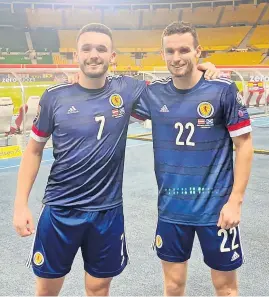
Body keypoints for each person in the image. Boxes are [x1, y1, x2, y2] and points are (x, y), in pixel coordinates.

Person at [13, 23, 219, 296]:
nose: (93, 54)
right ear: (76, 55)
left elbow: (173, 87)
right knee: (47, 289)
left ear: (112, 56)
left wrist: (200, 67)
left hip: (107, 212)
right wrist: (20, 205)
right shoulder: (54, 97)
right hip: (60, 210)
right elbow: (33, 150)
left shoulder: (128, 90)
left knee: (99, 288)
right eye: (86, 48)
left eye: (101, 48)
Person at [133, 21, 253, 296]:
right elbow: (112, 96)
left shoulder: (222, 90)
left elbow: (244, 145)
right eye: (170, 51)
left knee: (226, 288)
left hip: (217, 211)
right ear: (162, 54)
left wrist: (235, 201)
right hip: (172, 209)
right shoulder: (154, 93)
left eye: (184, 50)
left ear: (198, 51)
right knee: (173, 286)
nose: (177, 58)